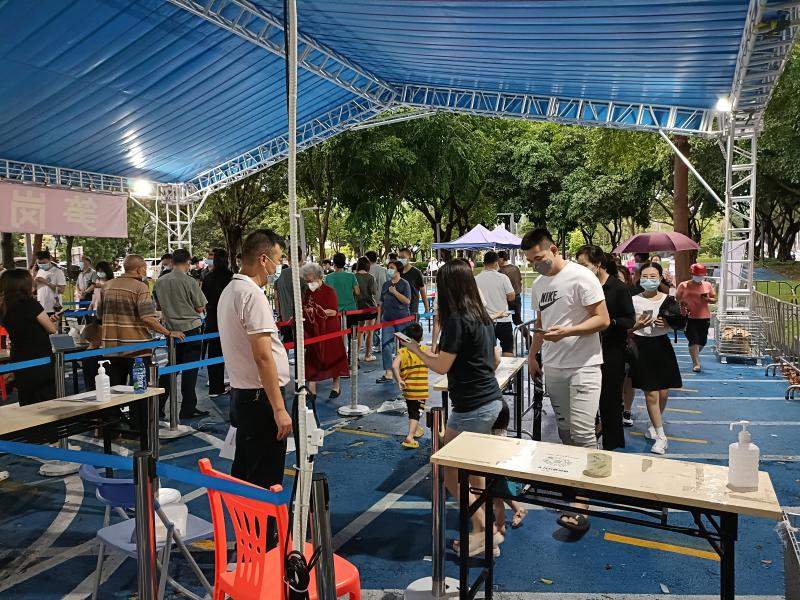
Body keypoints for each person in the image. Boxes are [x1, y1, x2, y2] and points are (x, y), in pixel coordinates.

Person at [403, 259, 504, 557]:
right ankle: (481, 533)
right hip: (490, 400)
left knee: (450, 475)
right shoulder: (482, 316)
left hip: (471, 407)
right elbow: (495, 360)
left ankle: (486, 530)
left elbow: (441, 366)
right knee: (474, 474)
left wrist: (415, 350)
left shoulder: (457, 320)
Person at [524, 228, 609, 533]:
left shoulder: (581, 276)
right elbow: (541, 323)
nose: (536, 264)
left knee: (584, 432)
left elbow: (603, 319)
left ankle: (582, 503)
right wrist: (533, 355)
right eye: (531, 261)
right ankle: (579, 481)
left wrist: (568, 332)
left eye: (539, 258)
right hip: (554, 366)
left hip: (585, 365)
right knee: (565, 431)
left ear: (554, 249)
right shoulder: (538, 285)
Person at [218, 229, 292, 489]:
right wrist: (279, 409)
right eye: (278, 260)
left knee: (246, 470)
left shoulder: (231, 291)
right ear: (263, 259)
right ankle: (263, 518)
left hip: (244, 394)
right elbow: (263, 357)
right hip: (261, 398)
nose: (277, 267)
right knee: (265, 477)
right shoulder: (252, 295)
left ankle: (243, 516)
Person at [99, 255, 184, 423]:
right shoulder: (141, 287)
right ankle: (139, 428)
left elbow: (99, 315)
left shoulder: (106, 286)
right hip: (137, 350)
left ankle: (112, 428)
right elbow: (147, 318)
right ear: (139, 269)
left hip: (110, 349)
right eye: (145, 267)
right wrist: (168, 332)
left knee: (113, 394)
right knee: (139, 392)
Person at [575, 246, 636, 451]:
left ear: (597, 264)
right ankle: (588, 440)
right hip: (585, 350)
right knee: (585, 399)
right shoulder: (581, 286)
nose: (580, 269)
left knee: (610, 399)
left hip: (611, 351)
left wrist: (611, 323)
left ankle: (612, 446)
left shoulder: (617, 287)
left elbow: (629, 319)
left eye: (584, 265)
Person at [629, 262, 683, 455]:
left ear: (660, 279)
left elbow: (678, 324)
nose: (649, 280)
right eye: (645, 276)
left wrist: (667, 323)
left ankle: (654, 425)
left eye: (653, 277)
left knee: (663, 394)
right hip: (641, 347)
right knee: (651, 393)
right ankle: (661, 437)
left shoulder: (668, 300)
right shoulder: (633, 300)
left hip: (662, 346)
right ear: (639, 278)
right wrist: (637, 325)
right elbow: (627, 327)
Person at [154, 248, 209, 419]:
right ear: (188, 262)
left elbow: (158, 306)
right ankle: (187, 408)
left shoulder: (160, 281)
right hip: (190, 329)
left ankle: (158, 405)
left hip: (170, 330)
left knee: (171, 367)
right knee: (190, 371)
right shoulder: (189, 281)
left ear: (172, 262)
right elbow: (200, 307)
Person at [0, 269, 57, 405]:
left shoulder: (4, 306)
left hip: (18, 356)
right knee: (45, 398)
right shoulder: (31, 304)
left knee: (26, 397)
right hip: (39, 357)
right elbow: (52, 329)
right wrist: (52, 321)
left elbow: (25, 326)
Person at [300, 262, 349, 400]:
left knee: (333, 356)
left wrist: (316, 312)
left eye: (310, 280)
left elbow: (333, 311)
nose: (309, 284)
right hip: (313, 329)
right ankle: (312, 388)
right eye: (306, 281)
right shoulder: (307, 292)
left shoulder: (329, 291)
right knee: (312, 356)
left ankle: (336, 384)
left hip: (329, 328)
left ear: (319, 277)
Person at [202, 248, 234, 397]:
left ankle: (215, 387)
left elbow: (204, 299)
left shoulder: (207, 277)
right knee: (234, 354)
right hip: (229, 319)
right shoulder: (231, 277)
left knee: (214, 353)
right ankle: (236, 385)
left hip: (212, 319)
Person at [391, 322, 427, 449]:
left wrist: (399, 379)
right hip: (421, 390)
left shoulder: (403, 352)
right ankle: (410, 437)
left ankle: (415, 429)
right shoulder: (424, 350)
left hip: (408, 389)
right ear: (421, 338)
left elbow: (394, 366)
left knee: (412, 410)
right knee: (416, 413)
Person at [376, 260, 412, 384]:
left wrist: (395, 292)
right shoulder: (386, 285)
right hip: (387, 319)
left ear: (398, 270)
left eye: (392, 268)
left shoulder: (405, 284)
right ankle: (388, 372)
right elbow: (381, 303)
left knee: (404, 345)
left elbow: (407, 301)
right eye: (388, 267)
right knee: (386, 345)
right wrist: (379, 318)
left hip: (402, 319)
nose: (389, 270)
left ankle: (405, 370)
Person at [676, 263, 716, 373]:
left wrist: (707, 299)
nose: (698, 277)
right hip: (689, 317)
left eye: (701, 275)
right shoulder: (684, 285)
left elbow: (714, 299)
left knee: (702, 341)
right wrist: (682, 305)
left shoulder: (707, 285)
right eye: (696, 275)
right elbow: (677, 298)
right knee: (693, 339)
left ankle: (695, 355)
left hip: (704, 317)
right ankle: (696, 363)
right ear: (692, 274)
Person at [475, 251, 515, 356]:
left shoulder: (475, 279)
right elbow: (511, 297)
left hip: (485, 320)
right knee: (507, 349)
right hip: (503, 319)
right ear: (496, 263)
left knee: (486, 352)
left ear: (483, 263)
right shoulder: (503, 278)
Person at [325, 253, 360, 351]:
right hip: (351, 309)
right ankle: (352, 357)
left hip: (335, 311)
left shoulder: (328, 277)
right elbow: (357, 292)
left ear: (334, 263)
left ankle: (339, 357)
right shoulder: (351, 276)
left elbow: (327, 294)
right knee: (352, 336)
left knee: (337, 336)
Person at [273, 248, 308, 347]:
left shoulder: (279, 275)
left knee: (287, 344)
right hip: (301, 316)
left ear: (288, 259)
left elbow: (276, 298)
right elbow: (308, 297)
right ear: (301, 259)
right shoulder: (304, 275)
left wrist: (279, 315)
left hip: (284, 316)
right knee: (303, 345)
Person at [354, 256, 377, 362]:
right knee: (370, 332)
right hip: (370, 307)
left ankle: (356, 355)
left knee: (359, 331)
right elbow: (373, 291)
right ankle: (368, 355)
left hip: (358, 307)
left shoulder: (354, 276)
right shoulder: (370, 277)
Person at [32, 250, 66, 316]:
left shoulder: (57, 272)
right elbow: (34, 288)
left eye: (44, 263)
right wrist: (33, 275)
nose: (42, 265)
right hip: (41, 308)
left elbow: (61, 290)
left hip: (53, 308)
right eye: (39, 263)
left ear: (50, 259)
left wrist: (46, 282)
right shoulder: (39, 271)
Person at [398, 248, 429, 316]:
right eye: (399, 257)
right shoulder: (397, 272)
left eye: (403, 257)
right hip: (398, 310)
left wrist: (426, 308)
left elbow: (422, 291)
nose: (400, 259)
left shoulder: (416, 273)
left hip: (412, 310)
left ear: (409, 257)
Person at [366, 251, 387, 354]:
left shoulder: (368, 270)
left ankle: (375, 344)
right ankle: (379, 344)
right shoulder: (383, 270)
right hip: (383, 299)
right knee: (381, 322)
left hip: (372, 301)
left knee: (372, 324)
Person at [497, 251, 523, 328]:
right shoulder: (515, 268)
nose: (497, 262)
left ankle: (508, 335)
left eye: (497, 259)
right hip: (517, 297)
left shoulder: (501, 272)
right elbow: (519, 280)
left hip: (507, 299)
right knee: (517, 320)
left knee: (504, 321)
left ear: (501, 259)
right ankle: (526, 334)